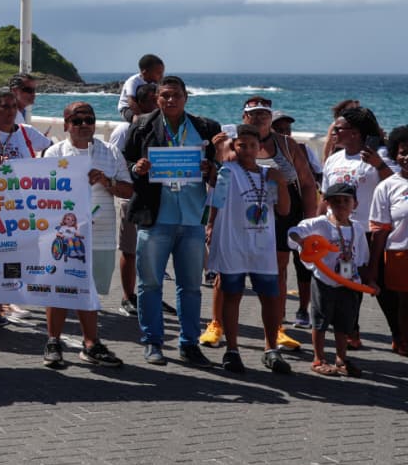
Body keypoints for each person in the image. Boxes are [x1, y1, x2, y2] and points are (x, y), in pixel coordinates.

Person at [121, 76, 221, 366]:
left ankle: (189, 343)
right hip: (155, 218)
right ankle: (153, 341)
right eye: (164, 95)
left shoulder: (205, 128)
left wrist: (209, 167)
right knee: (149, 284)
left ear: (186, 97)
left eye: (175, 95)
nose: (170, 100)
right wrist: (136, 167)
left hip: (192, 218)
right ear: (157, 98)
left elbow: (220, 168)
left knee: (190, 286)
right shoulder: (141, 126)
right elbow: (124, 162)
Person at [200, 97, 313, 352]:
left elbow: (306, 184)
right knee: (227, 276)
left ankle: (276, 332)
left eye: (264, 114)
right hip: (236, 219)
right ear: (244, 118)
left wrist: (309, 220)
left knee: (278, 273)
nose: (260, 118)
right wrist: (211, 224)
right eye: (253, 114)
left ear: (270, 117)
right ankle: (217, 323)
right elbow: (218, 185)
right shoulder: (229, 145)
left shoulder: (286, 144)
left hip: (278, 217)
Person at [41, 102, 131, 368]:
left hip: (101, 235)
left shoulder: (111, 152)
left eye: (89, 120)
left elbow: (128, 191)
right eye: (77, 120)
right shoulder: (53, 153)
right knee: (59, 288)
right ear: (66, 124)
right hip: (65, 236)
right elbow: (42, 194)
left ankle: (90, 343)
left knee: (90, 290)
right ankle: (53, 341)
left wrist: (106, 181)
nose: (84, 125)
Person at [204, 124, 293, 374]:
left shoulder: (269, 175)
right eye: (242, 144)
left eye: (252, 145)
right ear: (235, 146)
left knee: (270, 298)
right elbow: (216, 201)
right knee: (232, 296)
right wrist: (210, 227)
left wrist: (282, 184)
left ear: (260, 147)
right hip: (234, 244)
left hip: (262, 246)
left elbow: (284, 210)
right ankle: (232, 350)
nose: (247, 149)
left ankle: (271, 349)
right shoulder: (227, 172)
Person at [321, 106, 393, 350]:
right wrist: (317, 225)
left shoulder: (379, 154)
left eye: (338, 129)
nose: (334, 132)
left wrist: (379, 165)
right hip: (339, 232)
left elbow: (397, 184)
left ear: (355, 133)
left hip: (369, 232)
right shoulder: (334, 159)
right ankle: (352, 332)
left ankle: (399, 334)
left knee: (381, 286)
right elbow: (325, 196)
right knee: (346, 285)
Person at [289, 183, 370, 376]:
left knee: (344, 323)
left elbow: (362, 257)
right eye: (336, 201)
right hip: (324, 281)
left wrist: (368, 282)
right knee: (320, 321)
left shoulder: (357, 228)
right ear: (327, 203)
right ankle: (319, 359)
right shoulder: (320, 223)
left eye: (346, 201)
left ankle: (341, 359)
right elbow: (295, 231)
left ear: (355, 204)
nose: (341, 205)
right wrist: (301, 241)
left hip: (349, 283)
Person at [109, 82, 157, 316]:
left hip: (158, 198)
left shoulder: (163, 127)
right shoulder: (124, 129)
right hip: (133, 196)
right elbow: (114, 161)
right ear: (138, 103)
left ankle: (148, 295)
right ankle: (128, 297)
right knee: (129, 249)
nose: (156, 104)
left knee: (152, 251)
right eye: (150, 100)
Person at [369, 125, 408, 355]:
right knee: (404, 304)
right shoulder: (387, 186)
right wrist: (373, 269)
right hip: (399, 253)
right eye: (403, 152)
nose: (407, 157)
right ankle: (403, 341)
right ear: (395, 153)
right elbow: (379, 230)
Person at [0, 89, 50, 164]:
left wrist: (41, 165)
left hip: (25, 179)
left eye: (14, 106)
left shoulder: (27, 131)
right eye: (6, 107)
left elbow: (50, 147)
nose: (11, 110)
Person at [117, 54, 164, 121]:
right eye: (158, 73)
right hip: (127, 108)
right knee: (137, 119)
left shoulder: (155, 82)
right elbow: (131, 101)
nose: (161, 76)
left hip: (144, 106)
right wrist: (140, 115)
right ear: (145, 72)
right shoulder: (133, 81)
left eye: (162, 73)